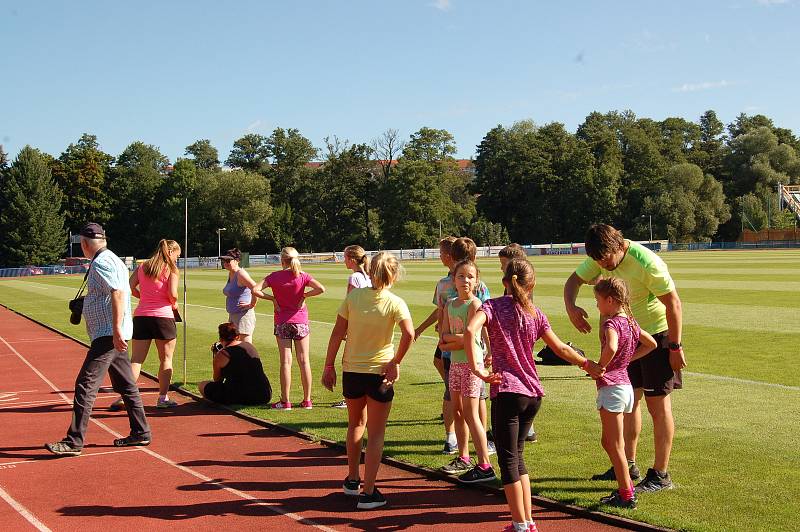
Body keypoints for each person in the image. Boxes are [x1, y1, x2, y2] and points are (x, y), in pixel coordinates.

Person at [464, 258, 602, 532]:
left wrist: (477, 369)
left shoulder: (491, 306)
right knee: (518, 457)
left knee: (508, 461)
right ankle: (527, 522)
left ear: (505, 282)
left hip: (507, 391)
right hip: (532, 394)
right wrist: (588, 364)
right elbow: (561, 348)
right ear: (532, 284)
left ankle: (519, 524)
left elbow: (470, 330)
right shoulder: (535, 313)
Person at [564, 224, 686, 493]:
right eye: (597, 261)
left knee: (658, 405)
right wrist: (571, 308)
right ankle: (626, 464)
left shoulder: (646, 262)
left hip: (657, 334)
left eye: (606, 260)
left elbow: (674, 303)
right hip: (626, 338)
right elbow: (573, 281)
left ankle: (660, 474)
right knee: (631, 402)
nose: (602, 266)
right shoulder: (600, 255)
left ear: (619, 247)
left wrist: (675, 347)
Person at [45, 223, 151, 456]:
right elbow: (111, 293)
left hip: (108, 335)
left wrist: (114, 330)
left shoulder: (102, 262)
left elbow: (117, 293)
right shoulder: (112, 259)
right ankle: (141, 432)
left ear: (84, 244)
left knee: (85, 385)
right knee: (126, 385)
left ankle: (74, 441)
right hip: (112, 333)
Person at [322, 251, 414, 510]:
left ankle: (352, 479)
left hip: (352, 370)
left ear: (371, 272)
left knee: (355, 425)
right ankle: (369, 492)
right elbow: (410, 333)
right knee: (376, 434)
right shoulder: (395, 302)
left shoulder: (354, 297)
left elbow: (337, 332)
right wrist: (396, 361)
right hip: (379, 373)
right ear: (394, 275)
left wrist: (329, 365)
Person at [591, 278, 657, 509]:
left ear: (610, 300)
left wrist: (600, 366)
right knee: (609, 442)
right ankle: (625, 486)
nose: (597, 305)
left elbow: (611, 346)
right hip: (626, 388)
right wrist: (627, 360)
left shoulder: (611, 324)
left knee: (615, 445)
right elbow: (651, 344)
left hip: (613, 389)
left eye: (598, 301)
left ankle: (627, 493)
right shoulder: (630, 322)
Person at [439, 237, 494, 475]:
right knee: (458, 411)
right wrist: (459, 340)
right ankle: (463, 456)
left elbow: (472, 338)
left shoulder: (475, 305)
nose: (465, 281)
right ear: (454, 279)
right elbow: (444, 341)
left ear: (477, 281)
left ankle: (484, 463)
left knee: (472, 413)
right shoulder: (450, 305)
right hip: (455, 364)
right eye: (461, 276)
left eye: (470, 277)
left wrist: (458, 339)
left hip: (472, 366)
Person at [109, 239, 181, 411]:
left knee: (136, 360)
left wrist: (143, 297)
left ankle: (125, 396)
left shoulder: (143, 266)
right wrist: (175, 302)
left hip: (142, 316)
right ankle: (162, 398)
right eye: (177, 256)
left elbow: (129, 286)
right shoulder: (171, 269)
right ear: (170, 252)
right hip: (163, 316)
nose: (177, 260)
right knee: (166, 359)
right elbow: (172, 294)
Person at [253, 247, 325, 410]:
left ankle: (285, 401)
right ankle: (307, 400)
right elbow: (321, 288)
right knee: (304, 360)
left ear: (282, 260)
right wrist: (304, 296)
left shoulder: (274, 277)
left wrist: (273, 299)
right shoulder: (302, 276)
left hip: (282, 321)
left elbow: (255, 290)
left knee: (285, 361)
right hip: (301, 321)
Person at [413, 236, 458, 454]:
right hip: (453, 337)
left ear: (448, 256)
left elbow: (441, 309)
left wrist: (429, 326)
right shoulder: (460, 279)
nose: (439, 256)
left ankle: (452, 437)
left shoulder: (447, 282)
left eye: (440, 253)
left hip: (452, 339)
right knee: (437, 362)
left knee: (454, 387)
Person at [499, 244, 538, 443]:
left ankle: (526, 429)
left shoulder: (518, 291)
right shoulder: (520, 284)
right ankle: (526, 429)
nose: (501, 269)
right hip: (519, 343)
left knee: (520, 383)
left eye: (503, 265)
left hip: (516, 344)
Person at [330, 245, 373, 409]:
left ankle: (348, 398)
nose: (343, 261)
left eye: (345, 258)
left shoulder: (354, 277)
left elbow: (350, 304)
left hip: (356, 324)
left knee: (349, 361)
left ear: (352, 259)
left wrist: (345, 328)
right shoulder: (368, 277)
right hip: (367, 324)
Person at [199, 323, 272, 405]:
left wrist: (217, 356)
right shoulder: (249, 346)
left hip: (242, 395)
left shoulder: (222, 354)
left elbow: (217, 380)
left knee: (202, 385)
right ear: (237, 336)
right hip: (264, 394)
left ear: (220, 338)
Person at [221, 248, 259, 344]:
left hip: (243, 317)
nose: (225, 263)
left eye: (228, 260)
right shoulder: (231, 273)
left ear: (237, 261)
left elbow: (255, 288)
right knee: (236, 347)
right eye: (224, 260)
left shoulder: (241, 274)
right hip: (234, 316)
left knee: (245, 348)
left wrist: (252, 304)